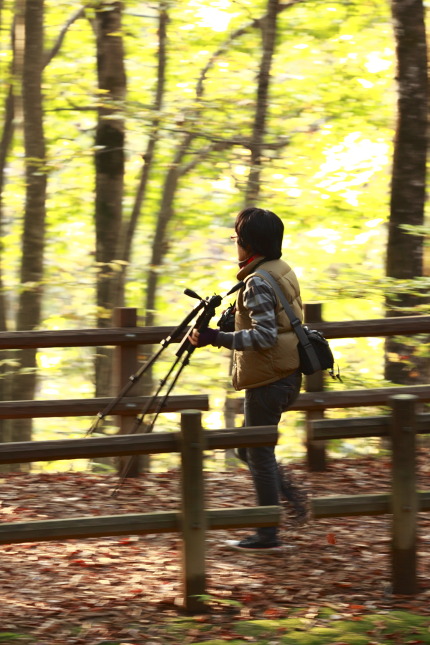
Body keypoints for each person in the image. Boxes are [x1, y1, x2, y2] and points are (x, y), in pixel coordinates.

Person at [189, 206, 305, 552]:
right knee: (249, 449)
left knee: (257, 453)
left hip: (268, 381)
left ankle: (267, 533)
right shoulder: (279, 269)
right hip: (286, 374)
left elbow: (265, 336)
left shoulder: (256, 282)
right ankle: (288, 494)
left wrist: (216, 338)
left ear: (249, 244)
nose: (234, 245)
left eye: (237, 239)